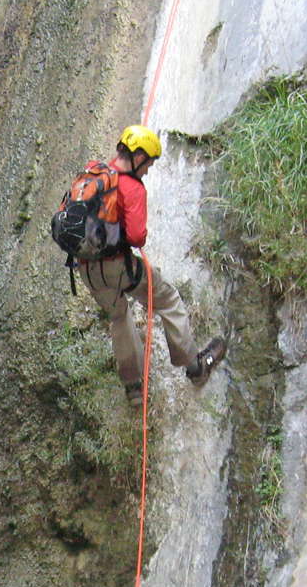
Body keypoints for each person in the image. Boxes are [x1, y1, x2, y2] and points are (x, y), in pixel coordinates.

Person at [78, 125, 225, 401]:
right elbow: (137, 237)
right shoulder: (133, 188)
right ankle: (195, 367)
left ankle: (134, 388)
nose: (147, 170)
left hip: (86, 268)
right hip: (117, 266)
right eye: (148, 164)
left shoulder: (95, 174)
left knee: (118, 316)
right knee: (168, 300)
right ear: (139, 156)